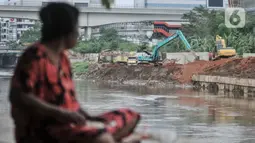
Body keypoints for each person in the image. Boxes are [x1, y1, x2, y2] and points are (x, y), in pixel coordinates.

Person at [9, 2, 143, 143]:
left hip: (70, 121)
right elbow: (19, 96)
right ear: (65, 31)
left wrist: (88, 117)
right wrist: (61, 113)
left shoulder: (64, 58)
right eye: (76, 27)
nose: (78, 32)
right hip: (44, 128)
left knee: (131, 116)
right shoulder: (34, 56)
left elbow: (70, 100)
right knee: (104, 139)